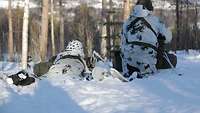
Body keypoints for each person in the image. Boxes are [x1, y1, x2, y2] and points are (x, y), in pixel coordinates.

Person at [121, 0, 176, 81]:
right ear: (150, 8)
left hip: (129, 63)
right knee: (173, 59)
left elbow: (122, 43)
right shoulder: (155, 21)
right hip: (148, 64)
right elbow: (168, 38)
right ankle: (144, 71)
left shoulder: (127, 22)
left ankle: (131, 70)